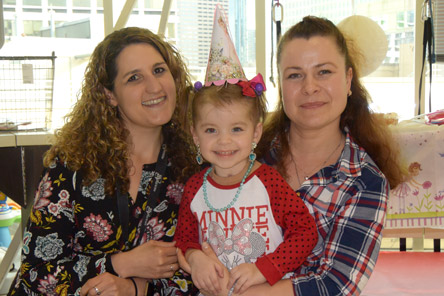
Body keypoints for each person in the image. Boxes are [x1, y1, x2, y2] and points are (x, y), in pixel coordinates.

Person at [8, 27, 199, 296]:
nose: (155, 86)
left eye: (159, 70)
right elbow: (35, 273)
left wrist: (134, 288)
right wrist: (119, 264)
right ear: (109, 95)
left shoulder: (195, 168)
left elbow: (207, 273)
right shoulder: (72, 166)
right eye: (134, 78)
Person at [174, 6, 318, 296]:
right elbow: (184, 239)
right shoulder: (194, 189)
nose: (224, 141)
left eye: (236, 129)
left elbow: (305, 233)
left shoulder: (269, 183)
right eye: (211, 130)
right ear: (195, 135)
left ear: (256, 132)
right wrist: (195, 259)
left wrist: (264, 268)